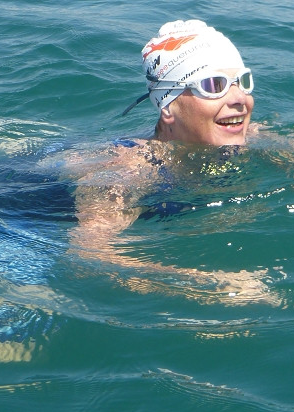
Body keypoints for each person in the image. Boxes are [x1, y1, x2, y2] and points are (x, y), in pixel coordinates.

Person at [68, 19, 280, 306]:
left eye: (242, 81)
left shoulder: (247, 134)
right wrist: (210, 286)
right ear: (168, 107)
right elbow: (89, 254)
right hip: (12, 224)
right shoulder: (128, 172)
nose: (240, 99)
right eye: (213, 86)